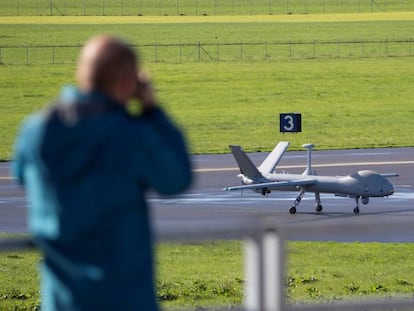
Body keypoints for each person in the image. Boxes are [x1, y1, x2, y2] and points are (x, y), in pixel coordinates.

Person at [12, 35, 192, 311]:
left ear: (82, 74)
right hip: (127, 298)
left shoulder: (36, 130)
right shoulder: (131, 135)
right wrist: (152, 110)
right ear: (128, 83)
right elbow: (177, 179)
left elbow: (21, 176)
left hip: (62, 301)